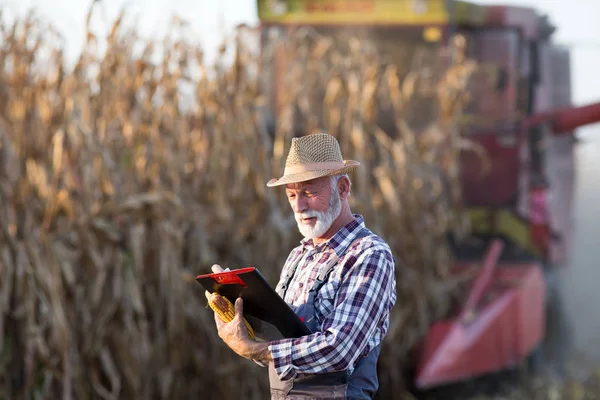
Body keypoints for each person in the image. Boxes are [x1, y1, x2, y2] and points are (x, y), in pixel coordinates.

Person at [208, 133, 397, 399]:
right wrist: (238, 313)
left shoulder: (369, 254)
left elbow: (339, 348)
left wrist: (253, 349)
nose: (299, 205)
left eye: (309, 192)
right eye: (292, 195)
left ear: (343, 188)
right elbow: (275, 341)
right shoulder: (298, 256)